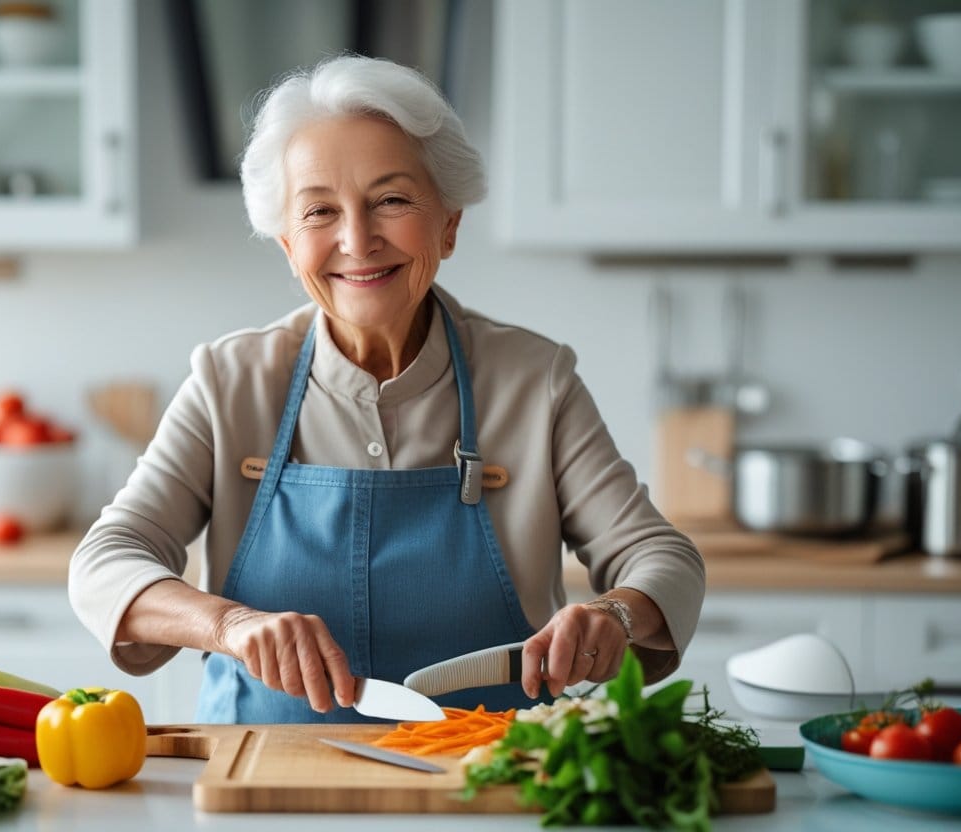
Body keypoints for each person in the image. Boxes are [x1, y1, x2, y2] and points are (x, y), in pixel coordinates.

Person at [69, 54, 705, 724]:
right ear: (288, 244)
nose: (356, 239)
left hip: (482, 783)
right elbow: (106, 563)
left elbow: (661, 556)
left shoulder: (534, 381)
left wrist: (614, 615)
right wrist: (229, 626)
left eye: (392, 201)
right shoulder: (230, 382)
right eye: (319, 211)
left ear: (449, 224)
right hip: (261, 780)